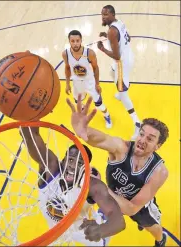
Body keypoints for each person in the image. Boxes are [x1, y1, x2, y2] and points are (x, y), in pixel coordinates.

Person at [67, 95, 169, 247]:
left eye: (150, 139)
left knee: (154, 228)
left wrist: (102, 188)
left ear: (157, 146)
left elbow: (132, 208)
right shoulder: (122, 148)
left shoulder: (159, 171)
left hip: (137, 205)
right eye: (141, 134)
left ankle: (161, 240)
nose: (142, 140)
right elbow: (101, 139)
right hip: (112, 197)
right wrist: (84, 131)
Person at [20, 126, 125, 246]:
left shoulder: (93, 186)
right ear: (63, 160)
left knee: (100, 241)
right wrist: (26, 115)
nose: (73, 166)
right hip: (57, 229)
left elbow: (119, 222)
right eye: (70, 160)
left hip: (83, 227)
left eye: (79, 163)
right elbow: (29, 135)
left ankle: (101, 214)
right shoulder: (50, 170)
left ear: (85, 169)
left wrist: (101, 230)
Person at [97, 5, 140, 139]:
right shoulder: (119, 23)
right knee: (111, 70)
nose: (103, 17)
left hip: (122, 62)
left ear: (112, 15)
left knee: (123, 93)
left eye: (106, 15)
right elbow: (128, 38)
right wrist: (109, 37)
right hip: (128, 56)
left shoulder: (112, 31)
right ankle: (121, 90)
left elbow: (116, 56)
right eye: (102, 14)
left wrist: (102, 49)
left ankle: (138, 123)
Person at [62, 30, 112, 129]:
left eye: (77, 40)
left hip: (90, 82)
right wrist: (67, 83)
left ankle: (107, 116)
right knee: (79, 103)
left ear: (81, 40)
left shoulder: (90, 53)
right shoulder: (65, 54)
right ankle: (84, 108)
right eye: (72, 41)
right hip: (76, 83)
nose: (75, 43)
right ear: (69, 41)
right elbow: (67, 67)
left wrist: (97, 84)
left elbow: (96, 68)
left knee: (99, 105)